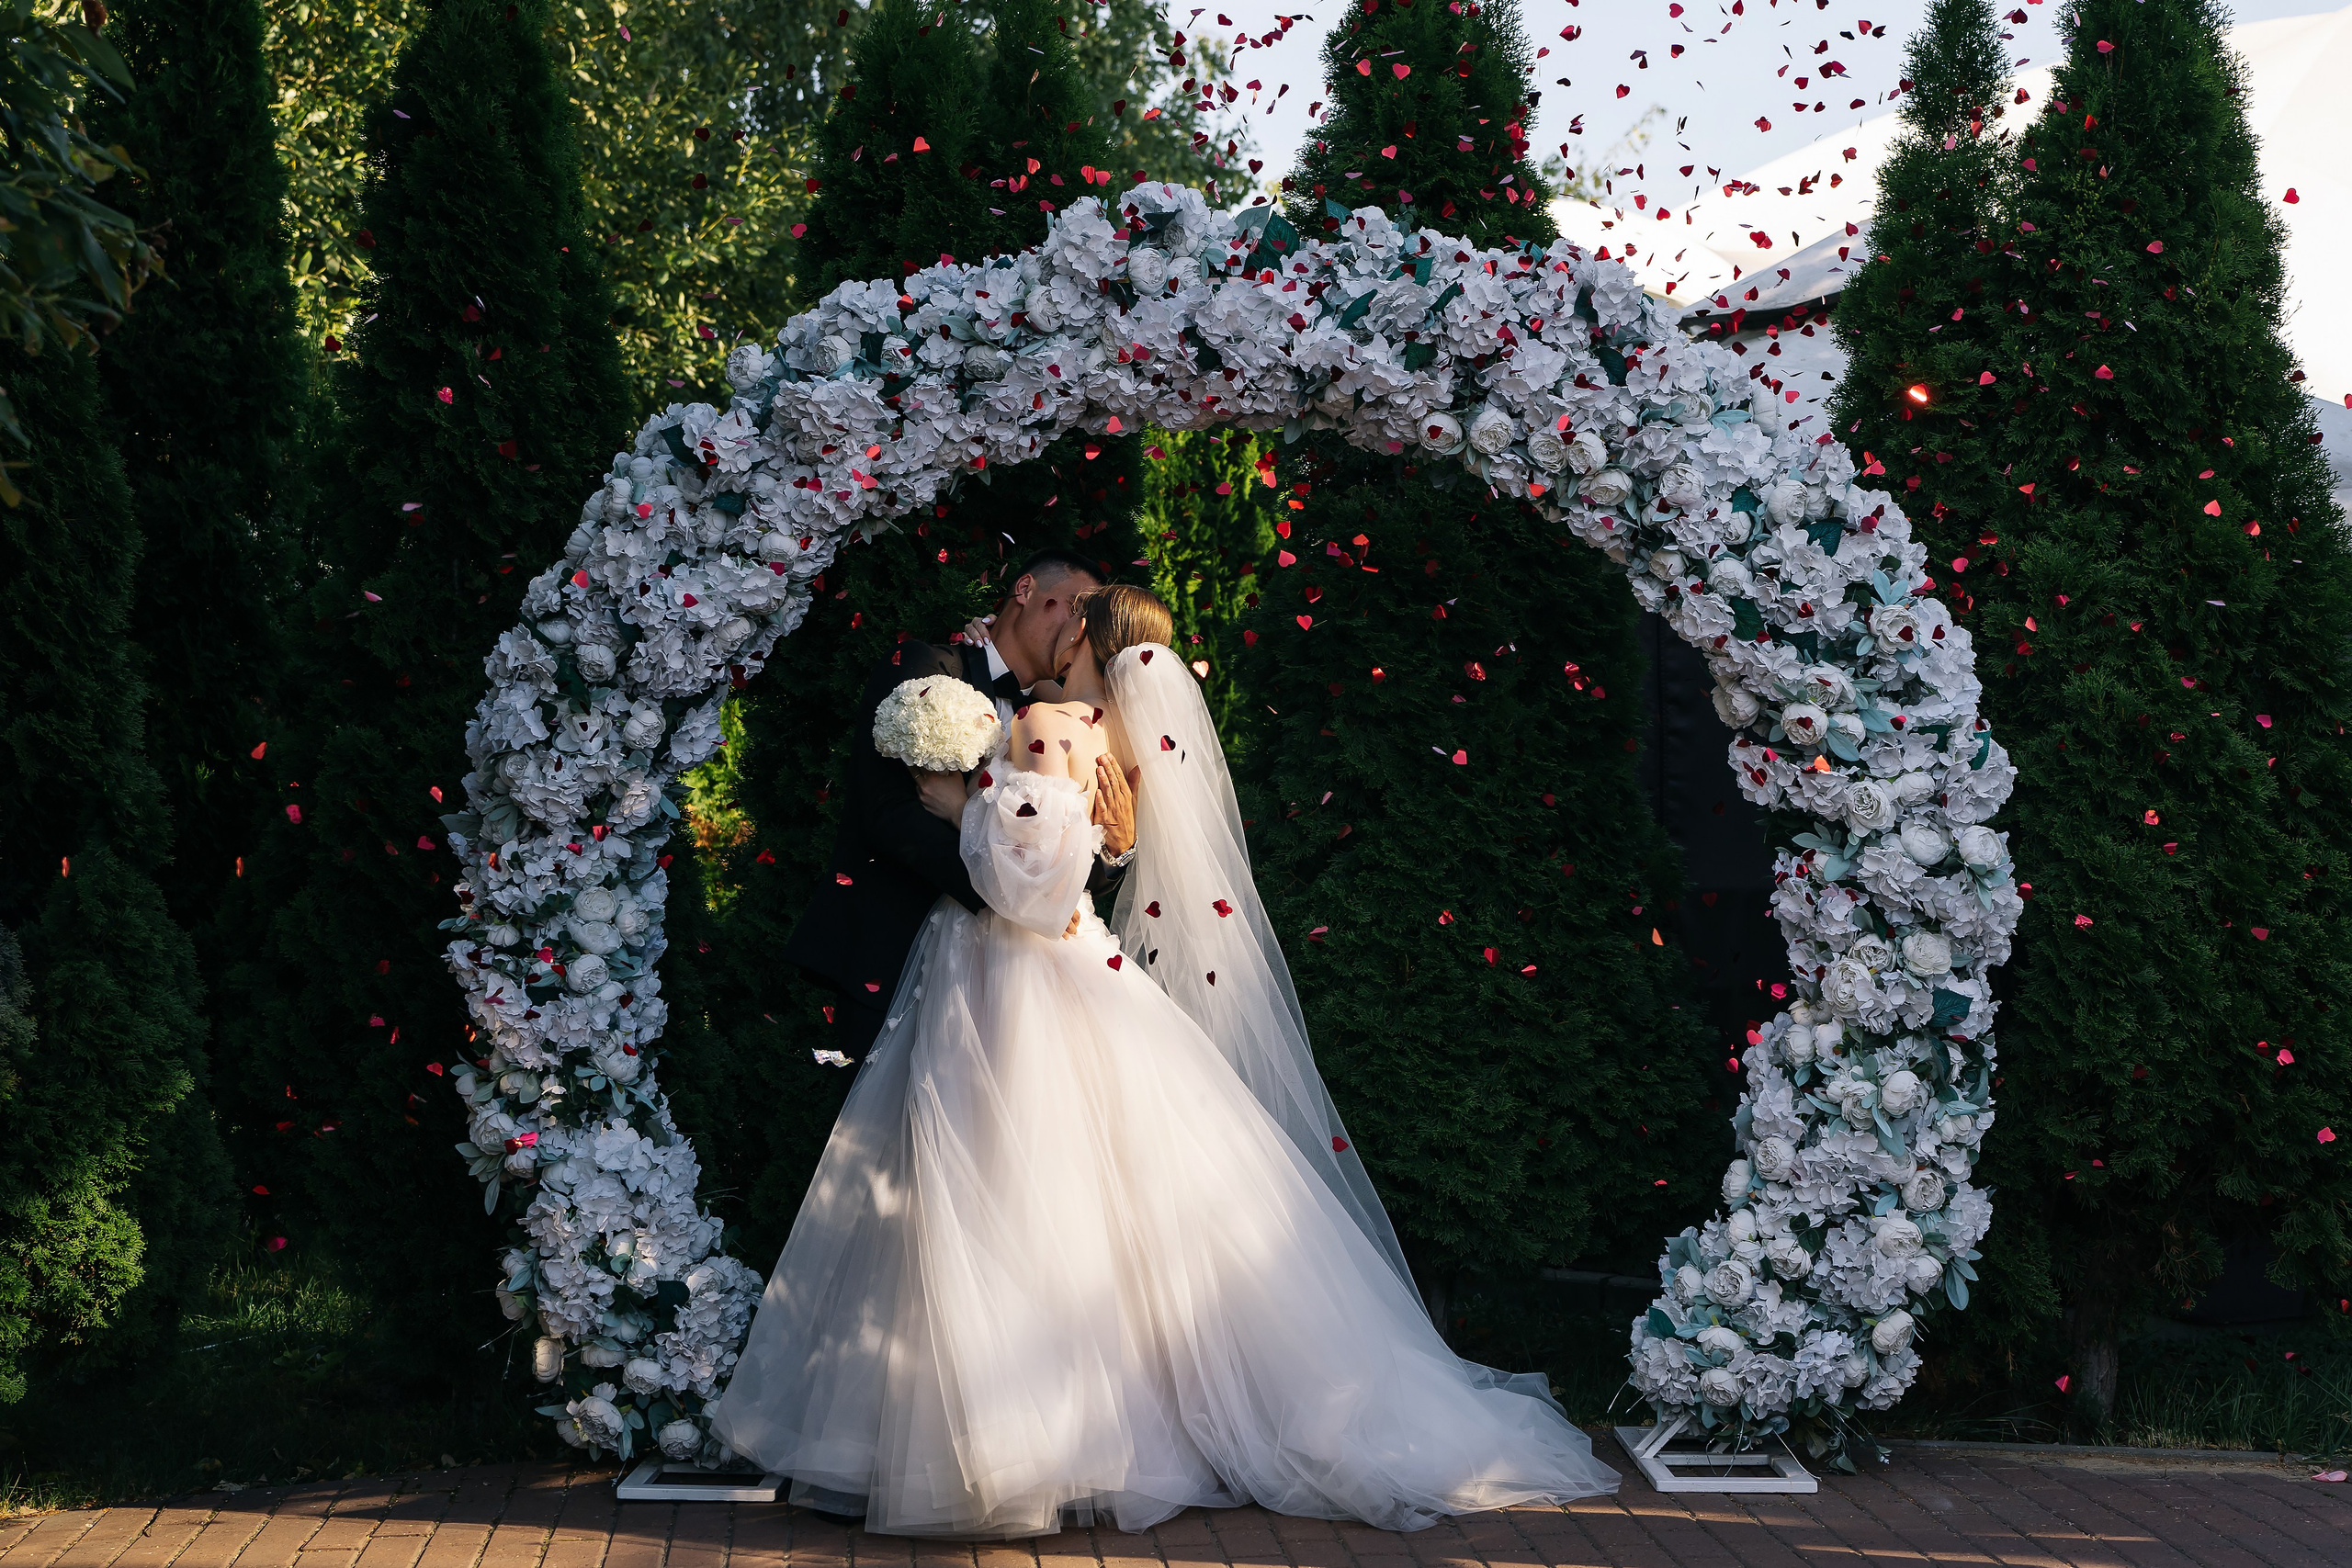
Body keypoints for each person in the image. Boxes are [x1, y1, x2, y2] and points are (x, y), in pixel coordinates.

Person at [709, 583, 1620, 1537]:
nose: (1059, 633)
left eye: (1074, 621)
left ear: (1085, 644)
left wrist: (953, 809)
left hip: (1010, 978)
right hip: (1070, 967)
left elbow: (1027, 888)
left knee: (1007, 1185)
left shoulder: (1049, 724)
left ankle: (1024, 1439)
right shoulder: (1113, 743)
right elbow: (1090, 856)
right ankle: (1099, 1426)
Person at [782, 549, 1137, 1061]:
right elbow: (891, 815)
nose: (1081, 621)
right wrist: (1010, 899)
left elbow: (1063, 869)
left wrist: (1115, 852)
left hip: (1009, 978)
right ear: (1026, 590)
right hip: (898, 953)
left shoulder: (1067, 718)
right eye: (1076, 603)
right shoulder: (932, 669)